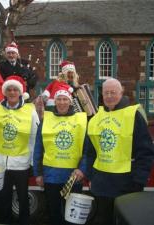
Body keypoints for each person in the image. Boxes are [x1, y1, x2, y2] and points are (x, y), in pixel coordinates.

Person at [86, 78, 154, 225]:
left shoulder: (133, 115)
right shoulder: (96, 118)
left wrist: (138, 182)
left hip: (126, 185)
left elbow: (145, 152)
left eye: (113, 92)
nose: (109, 96)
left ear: (121, 93)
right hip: (101, 185)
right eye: (106, 93)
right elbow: (91, 151)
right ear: (102, 95)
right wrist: (91, 176)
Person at [0, 75, 39, 225]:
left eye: (15, 89)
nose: (12, 92)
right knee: (3, 199)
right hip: (1, 163)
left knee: (22, 199)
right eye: (9, 89)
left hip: (21, 164)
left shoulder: (30, 111)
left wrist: (33, 163)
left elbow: (35, 138)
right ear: (4, 92)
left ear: (20, 92)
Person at [33, 87, 89, 225]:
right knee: (53, 212)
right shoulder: (46, 120)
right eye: (59, 99)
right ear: (55, 102)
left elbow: (88, 149)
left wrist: (82, 169)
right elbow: (38, 148)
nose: (62, 102)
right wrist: (38, 173)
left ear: (70, 102)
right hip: (51, 176)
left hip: (73, 177)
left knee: (72, 215)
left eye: (65, 99)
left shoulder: (81, 120)